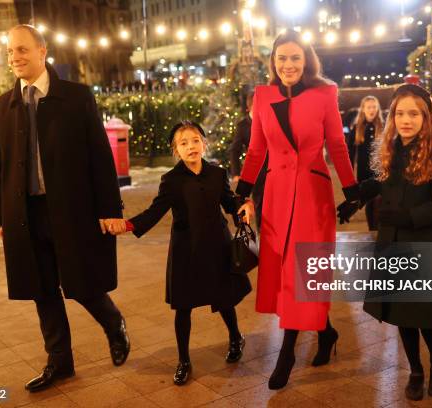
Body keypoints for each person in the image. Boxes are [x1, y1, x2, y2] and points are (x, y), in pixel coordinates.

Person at [0, 25, 130, 392]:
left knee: (81, 282)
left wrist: (110, 208)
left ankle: (113, 322)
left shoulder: (77, 97)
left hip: (71, 209)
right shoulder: (3, 106)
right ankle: (60, 361)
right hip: (24, 213)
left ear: (42, 50)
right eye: (10, 52)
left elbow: (100, 158)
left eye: (22, 50)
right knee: (41, 289)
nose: (15, 58)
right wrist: (0, 217)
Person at [236, 31, 359, 390]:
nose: (288, 65)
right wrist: (241, 191)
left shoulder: (325, 93)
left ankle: (287, 351)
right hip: (275, 194)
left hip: (312, 194)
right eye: (281, 58)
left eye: (295, 58)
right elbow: (257, 150)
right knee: (285, 270)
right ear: (272, 62)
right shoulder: (262, 96)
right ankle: (326, 330)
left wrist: (351, 190)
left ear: (306, 60)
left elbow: (337, 143)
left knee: (304, 271)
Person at [340, 84, 432, 401]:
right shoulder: (394, 150)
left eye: (413, 113)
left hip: (425, 243)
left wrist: (410, 217)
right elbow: (385, 181)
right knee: (402, 313)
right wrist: (358, 196)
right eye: (399, 113)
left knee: (426, 314)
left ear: (426, 117)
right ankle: (416, 369)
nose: (405, 120)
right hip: (395, 244)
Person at [107, 121, 251, 386]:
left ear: (203, 143)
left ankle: (235, 338)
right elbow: (155, 212)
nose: (191, 147)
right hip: (186, 249)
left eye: (195, 140)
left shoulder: (217, 174)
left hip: (217, 246)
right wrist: (127, 225)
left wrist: (243, 207)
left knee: (224, 300)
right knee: (183, 307)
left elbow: (230, 203)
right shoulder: (171, 181)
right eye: (183, 143)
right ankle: (184, 360)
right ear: (176, 150)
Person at [229, 90, 267, 230]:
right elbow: (234, 150)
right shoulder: (243, 125)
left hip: (275, 170)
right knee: (260, 204)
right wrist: (236, 173)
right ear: (250, 107)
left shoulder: (270, 120)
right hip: (257, 173)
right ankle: (264, 236)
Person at [347, 96, 384, 230]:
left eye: (374, 107)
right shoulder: (357, 128)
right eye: (369, 107)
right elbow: (349, 152)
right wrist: (349, 173)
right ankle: (372, 230)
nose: (372, 110)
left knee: (379, 201)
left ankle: (380, 229)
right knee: (369, 202)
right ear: (363, 109)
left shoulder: (382, 126)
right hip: (364, 172)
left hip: (380, 172)